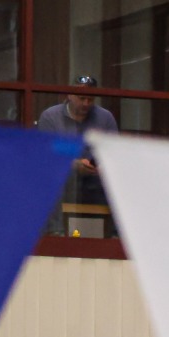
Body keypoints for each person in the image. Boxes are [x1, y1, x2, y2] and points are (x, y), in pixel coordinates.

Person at [36, 76, 119, 234]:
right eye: (81, 98)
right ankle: (56, 233)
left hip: (96, 177)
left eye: (90, 99)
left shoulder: (105, 117)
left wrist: (102, 165)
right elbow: (46, 155)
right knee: (50, 178)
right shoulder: (50, 117)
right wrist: (73, 164)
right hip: (64, 175)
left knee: (118, 181)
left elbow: (113, 151)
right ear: (69, 95)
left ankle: (115, 237)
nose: (86, 104)